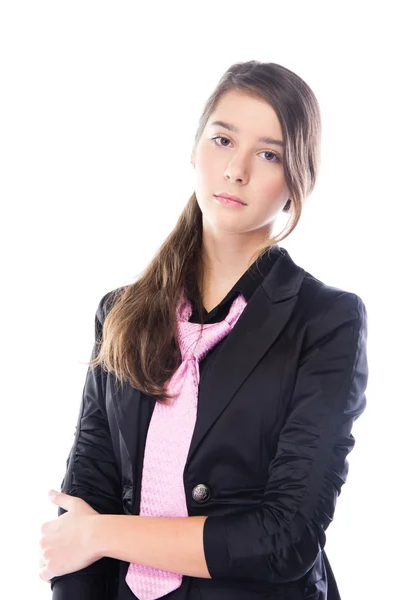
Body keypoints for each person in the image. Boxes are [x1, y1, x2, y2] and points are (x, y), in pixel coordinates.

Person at [40, 61, 368, 599]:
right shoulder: (120, 312)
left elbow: (285, 538)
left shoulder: (326, 321)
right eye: (222, 140)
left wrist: (103, 534)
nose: (235, 170)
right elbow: (86, 498)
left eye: (269, 154)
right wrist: (89, 537)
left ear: (296, 181)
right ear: (194, 151)